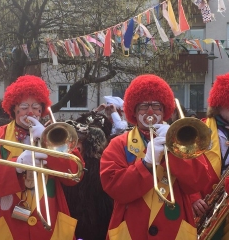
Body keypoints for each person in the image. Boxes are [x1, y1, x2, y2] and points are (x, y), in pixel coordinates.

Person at [100, 74, 216, 240]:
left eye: (156, 106)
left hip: (174, 230)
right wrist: (146, 164)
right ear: (133, 110)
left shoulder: (183, 141)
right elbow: (114, 188)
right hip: (132, 230)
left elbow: (199, 181)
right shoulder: (118, 144)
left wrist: (175, 148)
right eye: (143, 106)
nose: (150, 111)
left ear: (165, 110)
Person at [0, 75, 85, 240]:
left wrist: (49, 148)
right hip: (7, 222)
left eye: (36, 106)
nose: (31, 112)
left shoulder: (55, 135)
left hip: (50, 222)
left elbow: (75, 174)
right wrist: (17, 164)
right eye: (24, 106)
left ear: (42, 110)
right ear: (14, 109)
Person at [191, 73, 229, 239]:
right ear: (219, 103)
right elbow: (184, 168)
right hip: (206, 208)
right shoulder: (199, 130)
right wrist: (192, 198)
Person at [63, 120, 113, 240]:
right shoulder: (63, 163)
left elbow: (104, 205)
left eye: (78, 141)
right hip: (67, 221)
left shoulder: (98, 165)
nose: (74, 145)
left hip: (94, 225)